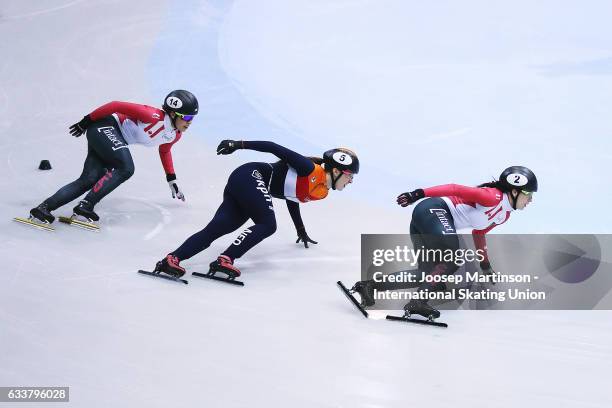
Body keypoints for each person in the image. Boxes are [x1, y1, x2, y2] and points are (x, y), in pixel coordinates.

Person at [352, 166, 537, 320]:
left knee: (426, 273)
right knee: (452, 260)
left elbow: (479, 234)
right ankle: (418, 302)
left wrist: (485, 265)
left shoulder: (503, 215)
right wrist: (417, 193)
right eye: (528, 194)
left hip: (429, 219)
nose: (531, 200)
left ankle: (368, 286)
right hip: (433, 210)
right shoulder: (492, 196)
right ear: (514, 190)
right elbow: (455, 188)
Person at [154, 140, 359, 279]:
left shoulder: (321, 189)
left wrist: (301, 230)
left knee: (217, 228)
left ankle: (172, 259)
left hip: (247, 184)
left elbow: (291, 196)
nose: (351, 181)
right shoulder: (308, 168)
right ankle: (225, 259)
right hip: (251, 175)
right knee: (268, 225)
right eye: (350, 175)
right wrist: (238, 144)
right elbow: (273, 147)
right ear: (336, 170)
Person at [28, 90, 199, 224]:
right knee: (126, 168)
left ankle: (43, 208)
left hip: (110, 138)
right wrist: (86, 121)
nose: (190, 122)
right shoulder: (152, 115)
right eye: (187, 117)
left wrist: (171, 179)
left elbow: (165, 151)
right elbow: (116, 105)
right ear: (173, 113)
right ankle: (85, 206)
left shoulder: (174, 135)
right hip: (105, 126)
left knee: (89, 179)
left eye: (193, 118)